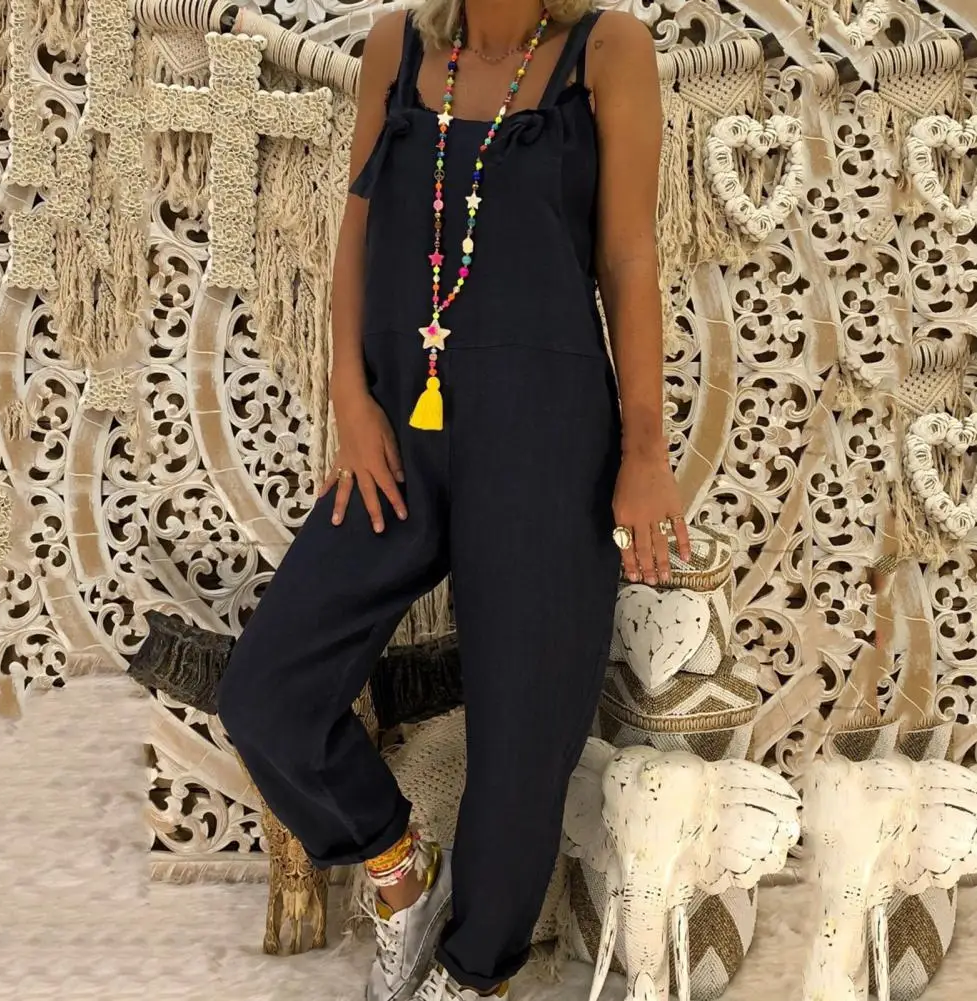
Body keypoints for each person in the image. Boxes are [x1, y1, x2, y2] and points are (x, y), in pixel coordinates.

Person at [216, 1, 689, 998]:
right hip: (396, 429)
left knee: (523, 742)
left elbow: (628, 256)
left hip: (546, 439)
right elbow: (354, 231)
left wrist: (645, 449)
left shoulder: (605, 50)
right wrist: (349, 397)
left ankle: (473, 975)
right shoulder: (396, 43)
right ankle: (401, 876)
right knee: (268, 690)